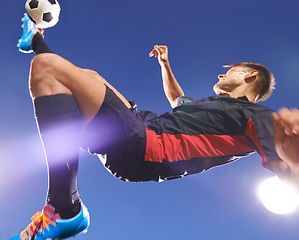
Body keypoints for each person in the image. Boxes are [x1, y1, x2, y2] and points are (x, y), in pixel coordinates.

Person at [11, 13, 299, 240]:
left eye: (231, 69)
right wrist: (165, 64)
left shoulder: (258, 117)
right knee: (89, 77)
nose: (224, 72)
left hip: (148, 146)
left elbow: (287, 174)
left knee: (47, 68)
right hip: (143, 127)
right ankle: (35, 40)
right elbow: (177, 99)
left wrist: (295, 162)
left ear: (249, 75)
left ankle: (64, 207)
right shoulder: (212, 107)